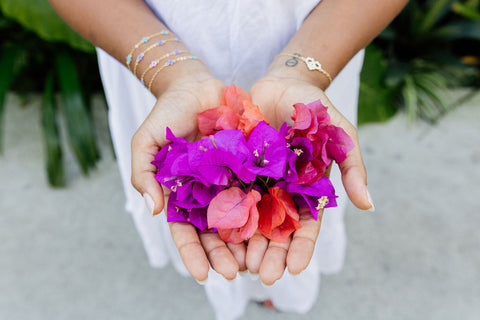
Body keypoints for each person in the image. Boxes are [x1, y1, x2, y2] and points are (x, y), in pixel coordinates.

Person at [48, 0, 407, 319]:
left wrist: (301, 73)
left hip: (321, 37)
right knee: (219, 244)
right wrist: (171, 74)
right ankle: (247, 287)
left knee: (276, 243)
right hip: (155, 43)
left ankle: (266, 290)